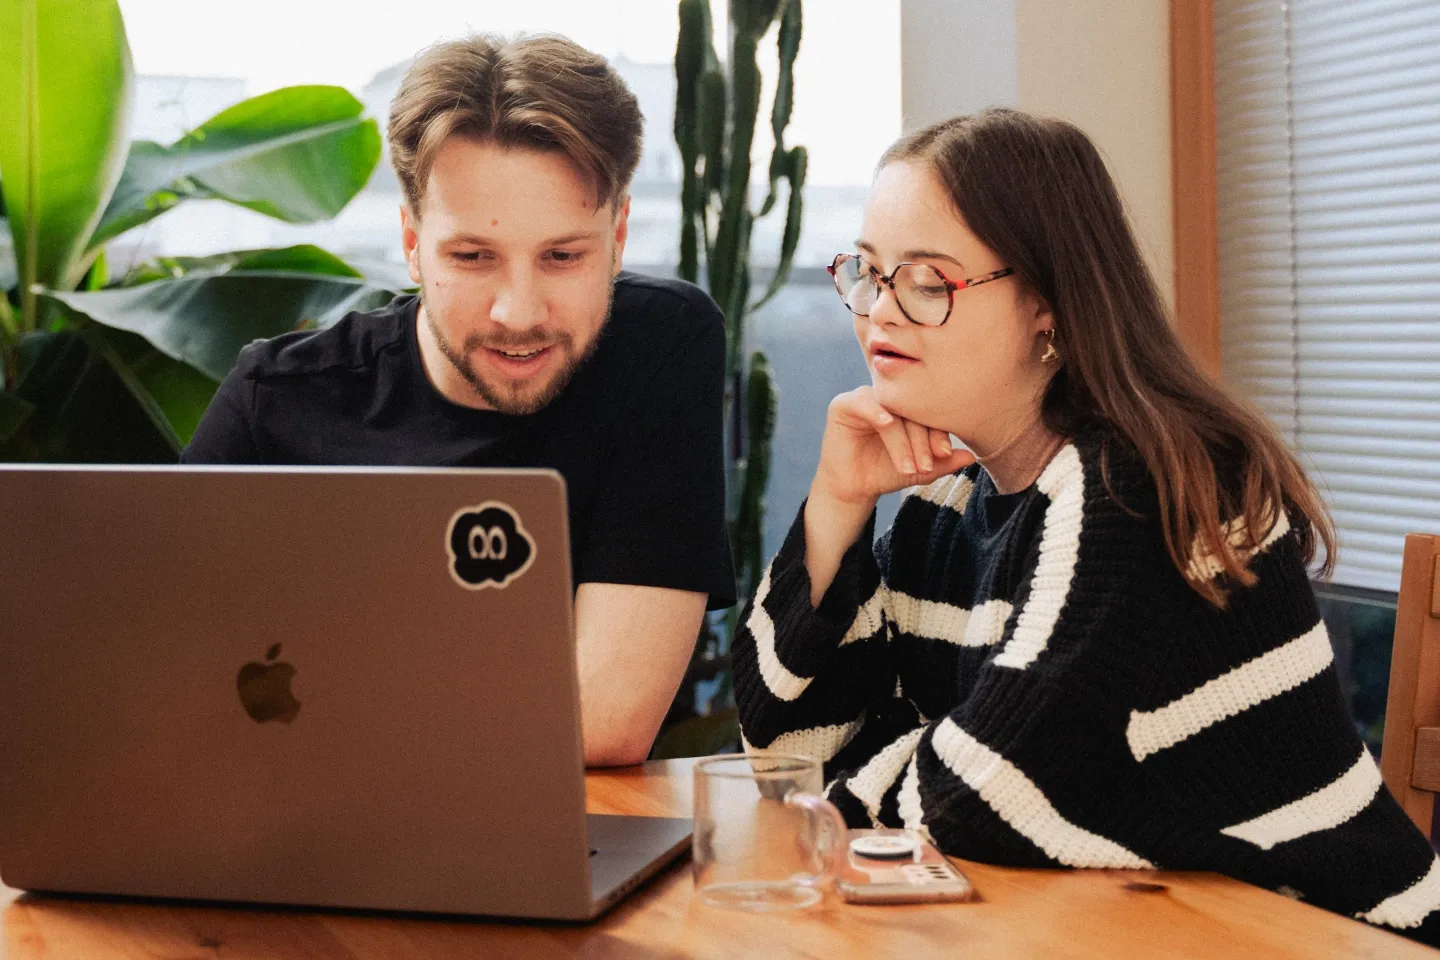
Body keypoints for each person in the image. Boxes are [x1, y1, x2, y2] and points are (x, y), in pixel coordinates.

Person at [732, 108, 1440, 946]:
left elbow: (978, 798)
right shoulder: (947, 501)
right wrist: (836, 503)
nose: (879, 311)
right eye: (868, 271)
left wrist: (884, 769)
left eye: (928, 282)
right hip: (1142, 930)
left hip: (1325, 933)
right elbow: (786, 757)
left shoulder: (1153, 486)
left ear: (1049, 306)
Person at [183, 34, 735, 767]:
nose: (519, 311)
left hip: (567, 834)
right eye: (473, 257)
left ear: (619, 237)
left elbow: (605, 720)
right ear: (412, 243)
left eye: (563, 256)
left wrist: (329, 706)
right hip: (284, 825)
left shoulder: (660, 346)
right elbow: (155, 680)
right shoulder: (275, 399)